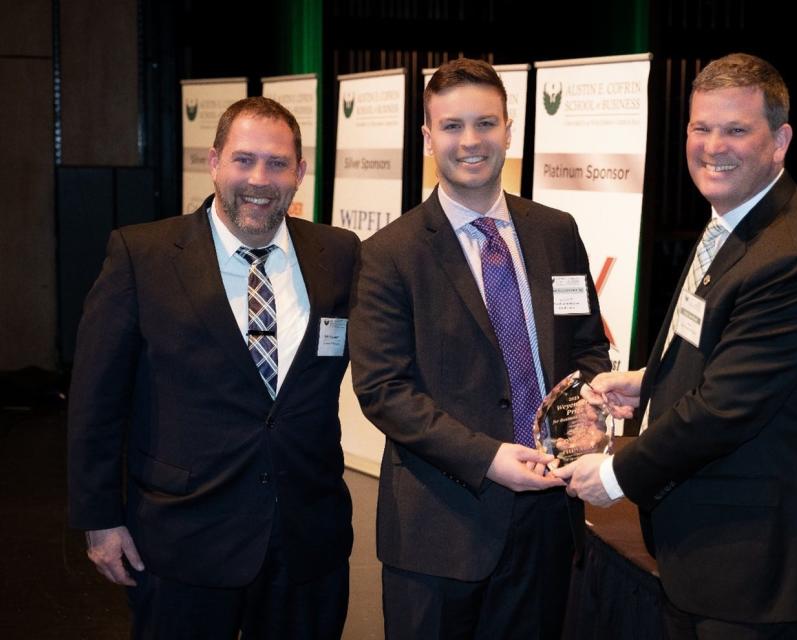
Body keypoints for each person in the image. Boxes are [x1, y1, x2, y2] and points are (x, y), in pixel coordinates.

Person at [556, 53, 797, 639]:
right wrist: (649, 383)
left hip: (754, 573)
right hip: (709, 551)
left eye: (737, 129)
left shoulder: (791, 258)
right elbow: (720, 350)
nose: (714, 144)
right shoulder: (732, 220)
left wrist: (615, 474)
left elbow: (723, 410)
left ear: (780, 140)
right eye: (701, 127)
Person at [68, 97, 359, 639]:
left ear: (300, 172)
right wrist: (100, 518)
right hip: (184, 540)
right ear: (214, 161)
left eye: (276, 163)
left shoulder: (340, 254)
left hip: (306, 540)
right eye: (243, 160)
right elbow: (95, 401)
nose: (259, 179)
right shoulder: (142, 254)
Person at [348, 57, 610, 639]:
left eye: (485, 124)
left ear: (509, 130)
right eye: (452, 126)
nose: (471, 141)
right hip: (441, 529)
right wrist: (489, 458)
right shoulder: (391, 253)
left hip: (549, 517)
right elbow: (384, 391)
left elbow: (588, 345)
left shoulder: (556, 232)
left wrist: (586, 411)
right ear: (427, 137)